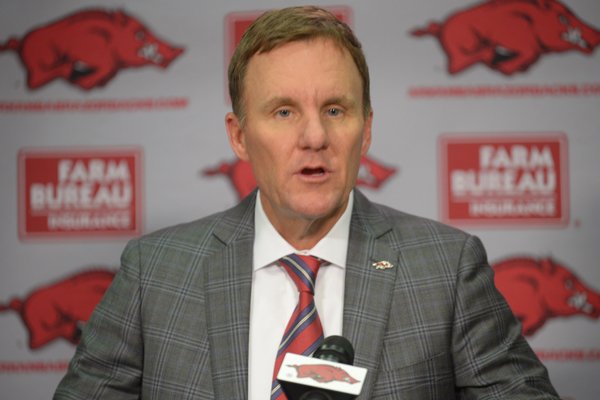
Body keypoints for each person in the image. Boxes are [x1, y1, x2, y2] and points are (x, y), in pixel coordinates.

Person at [54, 6, 559, 400]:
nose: (314, 136)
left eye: (335, 109)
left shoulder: (446, 269)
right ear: (240, 136)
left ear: (366, 129)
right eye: (283, 111)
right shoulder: (154, 273)